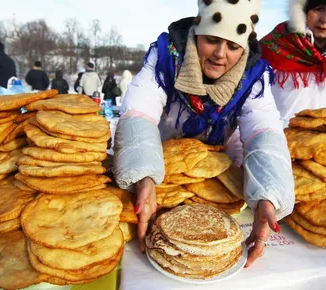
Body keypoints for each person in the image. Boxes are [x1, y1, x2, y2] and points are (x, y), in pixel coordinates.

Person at [113, 0, 295, 268]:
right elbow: (140, 109)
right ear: (197, 32)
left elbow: (263, 130)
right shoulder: (166, 57)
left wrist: (269, 195)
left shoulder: (253, 78)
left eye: (233, 46)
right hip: (162, 167)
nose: (220, 54)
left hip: (219, 171)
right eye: (211, 40)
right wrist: (144, 174)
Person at [261, 0, 326, 127]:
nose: (325, 19)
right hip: (276, 138)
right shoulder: (273, 46)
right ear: (303, 11)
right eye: (319, 9)